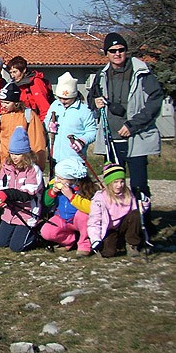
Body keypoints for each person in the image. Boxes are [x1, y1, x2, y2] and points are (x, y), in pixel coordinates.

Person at [88, 32, 163, 199]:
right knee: (114, 186)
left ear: (126, 51)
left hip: (136, 138)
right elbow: (90, 98)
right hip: (111, 141)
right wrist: (95, 102)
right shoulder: (102, 75)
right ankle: (118, 223)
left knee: (139, 185)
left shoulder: (142, 73)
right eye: (113, 50)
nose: (117, 53)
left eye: (121, 49)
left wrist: (132, 125)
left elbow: (155, 100)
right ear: (106, 53)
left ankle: (143, 222)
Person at [0, 127, 44, 253]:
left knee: (16, 247)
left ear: (26, 153)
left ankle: (38, 232)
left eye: (18, 154)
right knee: (1, 243)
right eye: (12, 153)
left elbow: (28, 194)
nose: (14, 157)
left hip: (27, 213)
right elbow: (0, 184)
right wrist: (0, 197)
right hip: (10, 212)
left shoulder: (33, 170)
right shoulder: (7, 166)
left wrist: (8, 194)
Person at [88, 163, 151, 257]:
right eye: (115, 182)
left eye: (122, 182)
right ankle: (115, 244)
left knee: (135, 215)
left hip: (124, 226)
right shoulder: (100, 198)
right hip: (109, 229)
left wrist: (144, 200)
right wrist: (95, 239)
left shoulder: (128, 193)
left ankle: (132, 244)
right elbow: (94, 221)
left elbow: (140, 211)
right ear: (109, 183)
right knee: (108, 253)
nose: (119, 185)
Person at [40, 157, 97, 256]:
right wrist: (52, 192)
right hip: (62, 217)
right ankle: (70, 240)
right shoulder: (54, 183)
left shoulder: (83, 188)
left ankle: (85, 244)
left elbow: (91, 208)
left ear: (72, 179)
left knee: (83, 216)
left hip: (78, 219)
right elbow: (46, 202)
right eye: (57, 177)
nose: (57, 180)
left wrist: (71, 196)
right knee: (46, 231)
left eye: (61, 178)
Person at [0, 83, 48, 172]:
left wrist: (38, 163)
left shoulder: (28, 115)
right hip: (5, 162)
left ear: (16, 102)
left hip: (25, 162)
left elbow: (37, 140)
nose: (3, 105)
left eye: (7, 103)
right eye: (2, 102)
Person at [44, 73, 96, 169]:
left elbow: (92, 132)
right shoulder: (55, 105)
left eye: (67, 99)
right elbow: (46, 120)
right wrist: (49, 125)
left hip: (75, 158)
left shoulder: (84, 110)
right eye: (60, 98)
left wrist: (82, 141)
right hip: (55, 157)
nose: (63, 101)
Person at [6, 56, 53, 121]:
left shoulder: (35, 82)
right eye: (10, 73)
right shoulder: (16, 85)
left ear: (24, 70)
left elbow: (44, 108)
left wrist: (41, 125)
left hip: (37, 121)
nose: (12, 76)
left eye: (15, 72)